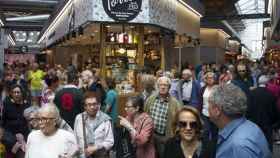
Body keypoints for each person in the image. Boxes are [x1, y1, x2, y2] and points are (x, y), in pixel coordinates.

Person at [208, 83, 271, 158]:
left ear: (217, 110)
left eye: (209, 104)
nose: (207, 108)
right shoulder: (249, 126)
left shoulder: (238, 146)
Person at [144, 76, 181, 158]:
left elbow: (179, 121)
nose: (163, 87)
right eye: (160, 85)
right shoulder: (150, 99)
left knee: (164, 155)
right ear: (157, 86)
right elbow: (145, 114)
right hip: (151, 135)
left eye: (165, 85)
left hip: (165, 138)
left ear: (169, 87)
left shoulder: (175, 103)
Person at [74, 92, 114, 158]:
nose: (92, 107)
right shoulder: (79, 118)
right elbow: (76, 139)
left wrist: (96, 147)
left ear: (98, 105)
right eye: (89, 104)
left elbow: (110, 141)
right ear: (85, 106)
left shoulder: (105, 120)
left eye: (94, 104)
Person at [247, 75, 280, 150]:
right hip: (267, 124)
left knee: (255, 145)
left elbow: (248, 109)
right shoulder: (271, 95)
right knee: (267, 145)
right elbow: (274, 111)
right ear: (267, 83)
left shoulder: (252, 93)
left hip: (254, 123)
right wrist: (275, 124)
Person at [2, 84, 30, 158]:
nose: (16, 94)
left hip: (23, 134)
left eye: (18, 92)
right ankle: (16, 146)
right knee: (7, 140)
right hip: (10, 135)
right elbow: (3, 120)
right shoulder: (7, 104)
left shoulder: (26, 105)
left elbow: (29, 122)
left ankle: (18, 146)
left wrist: (22, 137)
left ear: (21, 93)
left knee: (22, 153)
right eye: (14, 92)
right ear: (11, 94)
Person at [200, 72, 218, 140]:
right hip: (204, 112)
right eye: (208, 78)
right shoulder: (203, 89)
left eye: (211, 78)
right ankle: (205, 146)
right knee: (205, 131)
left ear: (214, 79)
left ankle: (214, 147)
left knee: (215, 132)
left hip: (214, 113)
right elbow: (200, 100)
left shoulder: (217, 88)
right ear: (206, 79)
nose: (210, 79)